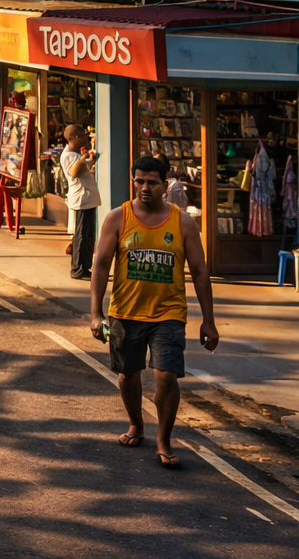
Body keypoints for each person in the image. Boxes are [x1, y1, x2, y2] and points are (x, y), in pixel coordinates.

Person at [90, 154, 218, 469]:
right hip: (125, 312)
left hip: (169, 314)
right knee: (127, 375)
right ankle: (136, 423)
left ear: (165, 184)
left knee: (166, 377)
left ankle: (164, 438)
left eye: (152, 182)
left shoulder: (182, 222)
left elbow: (200, 271)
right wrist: (95, 312)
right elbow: (101, 265)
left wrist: (209, 321)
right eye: (139, 181)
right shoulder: (117, 218)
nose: (144, 187)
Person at [63, 124, 101, 279]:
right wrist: (83, 158)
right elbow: (73, 172)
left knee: (88, 234)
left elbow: (84, 170)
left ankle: (85, 267)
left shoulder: (75, 154)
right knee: (82, 236)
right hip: (81, 199)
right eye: (83, 135)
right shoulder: (68, 156)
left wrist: (89, 160)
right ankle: (78, 269)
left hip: (88, 199)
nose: (86, 137)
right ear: (74, 138)